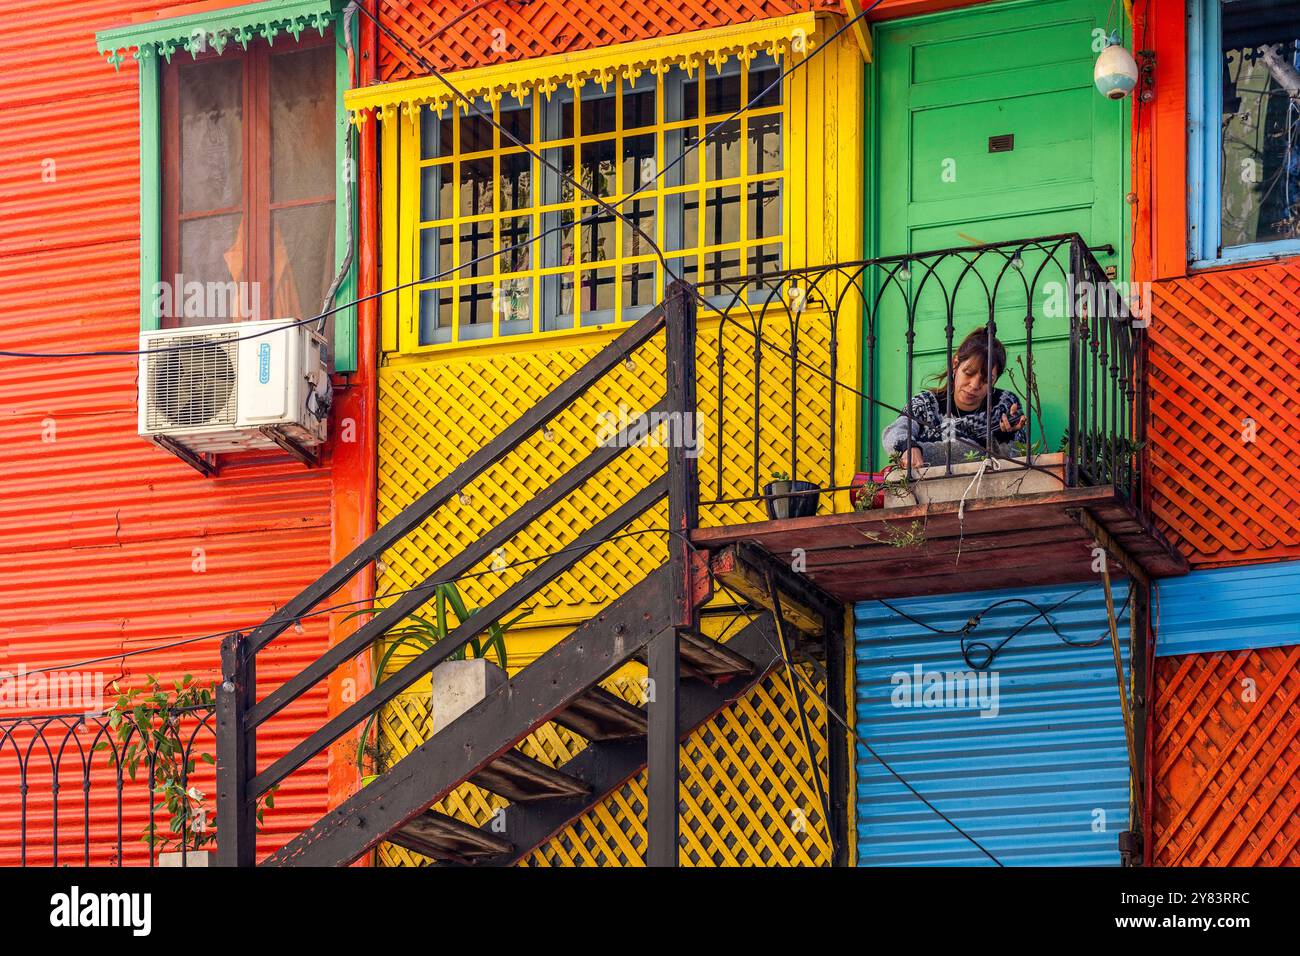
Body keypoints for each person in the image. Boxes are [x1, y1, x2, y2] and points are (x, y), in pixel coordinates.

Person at [881, 327, 1029, 470]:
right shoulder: (926, 404)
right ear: (955, 364)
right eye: (969, 373)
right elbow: (894, 433)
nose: (974, 385)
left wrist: (1005, 438)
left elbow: (1015, 466)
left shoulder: (1005, 405)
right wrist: (909, 446)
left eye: (986, 380)